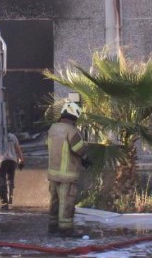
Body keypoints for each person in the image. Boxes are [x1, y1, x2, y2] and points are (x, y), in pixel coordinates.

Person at [46, 101, 90, 237]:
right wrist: (86, 160)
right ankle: (66, 230)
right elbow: (79, 150)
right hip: (68, 175)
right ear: (74, 116)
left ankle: (52, 227)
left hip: (53, 173)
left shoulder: (52, 128)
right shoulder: (72, 131)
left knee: (54, 201)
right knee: (66, 203)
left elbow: (47, 145)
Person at [0, 131, 24, 210]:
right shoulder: (13, 136)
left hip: (2, 161)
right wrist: (21, 161)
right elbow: (18, 149)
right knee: (10, 180)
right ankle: (10, 201)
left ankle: (4, 203)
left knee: (1, 180)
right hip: (12, 161)